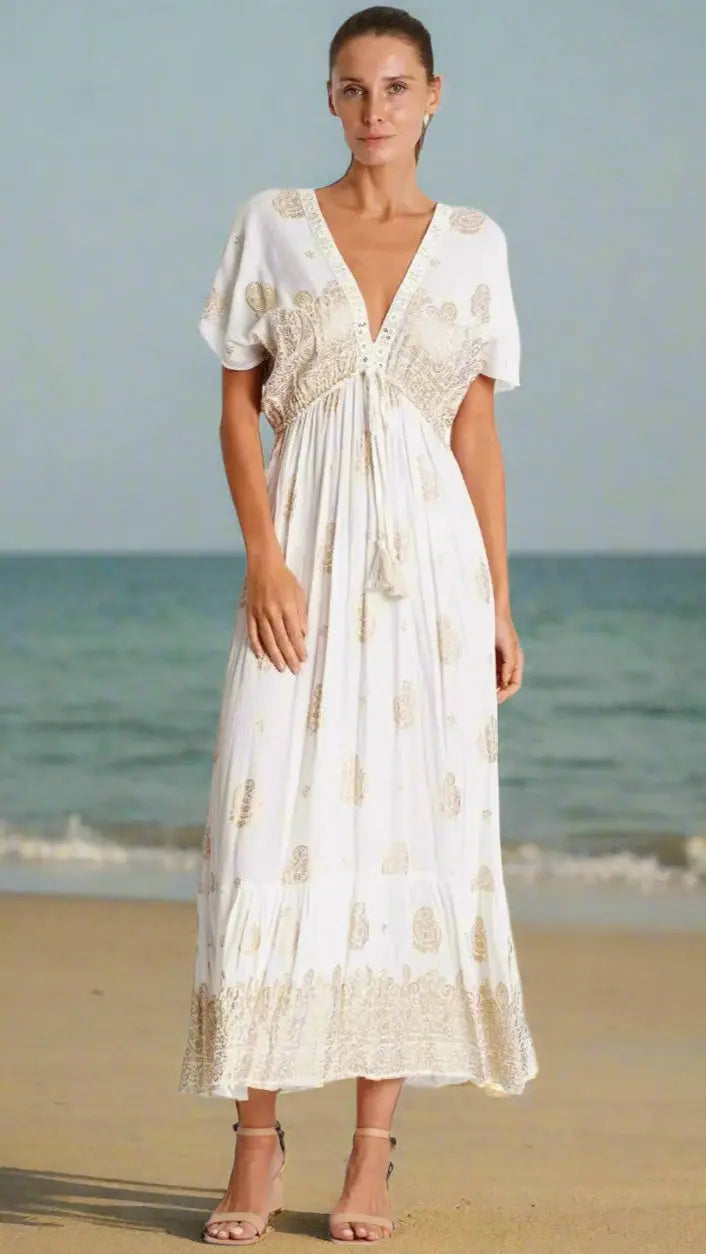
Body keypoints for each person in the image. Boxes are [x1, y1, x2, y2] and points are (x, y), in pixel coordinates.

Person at [179, 4, 539, 1245]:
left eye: (395, 87)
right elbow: (238, 408)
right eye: (351, 88)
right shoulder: (273, 226)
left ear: (434, 96)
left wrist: (496, 601)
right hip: (302, 570)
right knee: (268, 832)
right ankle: (253, 1140)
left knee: (412, 840)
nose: (373, 109)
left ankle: (373, 1152)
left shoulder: (477, 245)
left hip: (430, 586)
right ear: (328, 100)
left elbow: (476, 436)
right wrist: (262, 559)